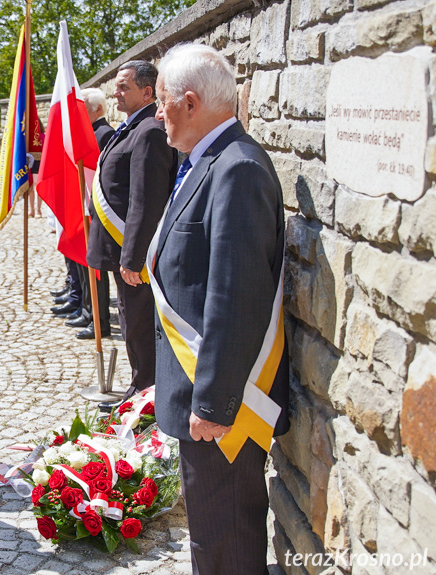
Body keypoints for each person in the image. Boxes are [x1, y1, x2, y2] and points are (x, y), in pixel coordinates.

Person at [152, 43, 291, 574]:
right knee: (211, 531)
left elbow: (236, 298)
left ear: (189, 102)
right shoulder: (206, 160)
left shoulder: (237, 168)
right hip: (203, 391)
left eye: (162, 100)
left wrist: (212, 404)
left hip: (223, 404)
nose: (157, 112)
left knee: (225, 538)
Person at [87, 60, 177, 404]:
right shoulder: (133, 126)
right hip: (121, 248)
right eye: (116, 86)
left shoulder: (150, 132)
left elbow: (145, 198)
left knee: (139, 327)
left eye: (124, 86)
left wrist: (133, 256)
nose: (116, 92)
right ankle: (140, 386)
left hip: (134, 253)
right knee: (131, 324)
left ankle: (146, 394)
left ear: (147, 92)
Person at [66, 88, 113, 339]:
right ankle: (87, 309)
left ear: (97, 109)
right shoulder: (90, 133)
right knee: (84, 263)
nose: (79, 112)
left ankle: (99, 319)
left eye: (83, 106)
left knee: (95, 267)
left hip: (96, 208)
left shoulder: (104, 134)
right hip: (84, 206)